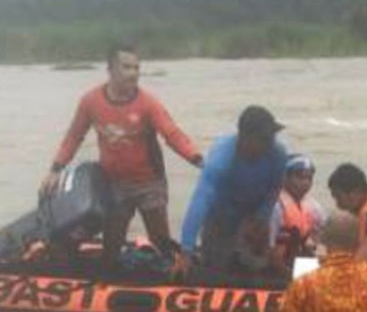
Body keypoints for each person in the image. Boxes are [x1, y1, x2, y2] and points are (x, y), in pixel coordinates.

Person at [41, 44, 204, 266]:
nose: (134, 73)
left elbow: (172, 134)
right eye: (127, 67)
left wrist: (200, 161)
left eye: (137, 68)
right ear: (110, 69)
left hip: (149, 181)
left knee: (161, 240)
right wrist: (55, 170)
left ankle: (178, 270)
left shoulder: (148, 103)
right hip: (113, 182)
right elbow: (73, 137)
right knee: (112, 244)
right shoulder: (91, 101)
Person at [180, 105, 288, 273]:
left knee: (257, 266)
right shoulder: (222, 158)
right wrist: (186, 250)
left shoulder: (278, 153)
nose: (270, 143)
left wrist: (262, 216)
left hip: (255, 211)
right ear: (245, 137)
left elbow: (275, 187)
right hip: (221, 213)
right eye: (265, 138)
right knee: (216, 266)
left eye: (271, 137)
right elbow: (200, 200)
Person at [270, 153, 327, 271]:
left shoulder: (314, 207)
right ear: (285, 177)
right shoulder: (274, 207)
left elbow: (326, 235)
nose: (305, 183)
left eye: (309, 178)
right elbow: (268, 246)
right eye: (300, 177)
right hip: (273, 266)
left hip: (299, 263)